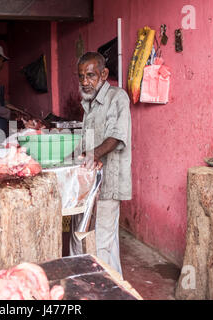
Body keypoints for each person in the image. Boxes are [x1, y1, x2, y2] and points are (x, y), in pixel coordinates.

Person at [70, 52, 132, 277]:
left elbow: (115, 137)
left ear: (104, 74)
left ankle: (110, 288)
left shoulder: (118, 97)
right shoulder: (89, 103)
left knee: (104, 240)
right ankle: (106, 284)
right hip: (92, 181)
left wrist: (91, 155)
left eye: (90, 75)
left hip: (109, 180)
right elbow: (88, 140)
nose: (85, 82)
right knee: (91, 236)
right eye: (81, 77)